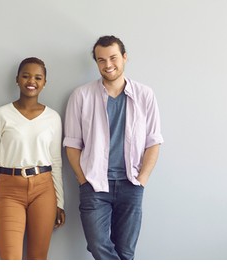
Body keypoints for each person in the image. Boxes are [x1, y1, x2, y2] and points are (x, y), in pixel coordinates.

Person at [64, 35, 163, 260]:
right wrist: (83, 180)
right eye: (101, 60)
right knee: (98, 245)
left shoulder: (145, 95)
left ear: (125, 57)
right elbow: (72, 144)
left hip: (131, 184)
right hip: (95, 185)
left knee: (126, 252)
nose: (108, 65)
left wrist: (142, 181)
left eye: (113, 58)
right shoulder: (81, 96)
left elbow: (153, 142)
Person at [0, 57, 65, 260]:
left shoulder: (52, 117)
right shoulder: (1, 114)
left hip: (43, 190)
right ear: (17, 79)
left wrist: (60, 202)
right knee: (10, 260)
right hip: (9, 190)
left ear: (45, 82)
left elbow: (56, 161)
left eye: (38, 77)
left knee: (38, 259)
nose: (31, 81)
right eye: (26, 76)